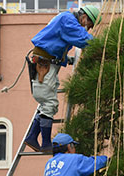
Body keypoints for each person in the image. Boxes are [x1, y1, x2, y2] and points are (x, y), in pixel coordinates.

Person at [24, 5, 101, 152]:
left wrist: (68, 60)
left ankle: (32, 137)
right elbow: (82, 38)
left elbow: (59, 43)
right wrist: (100, 45)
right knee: (49, 103)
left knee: (47, 104)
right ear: (84, 17)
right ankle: (45, 144)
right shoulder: (68, 20)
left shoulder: (66, 19)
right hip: (45, 64)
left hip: (48, 64)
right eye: (89, 25)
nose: (88, 29)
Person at [41, 133, 113, 176]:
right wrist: (110, 159)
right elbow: (95, 162)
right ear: (69, 146)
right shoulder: (74, 159)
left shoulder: (49, 163)